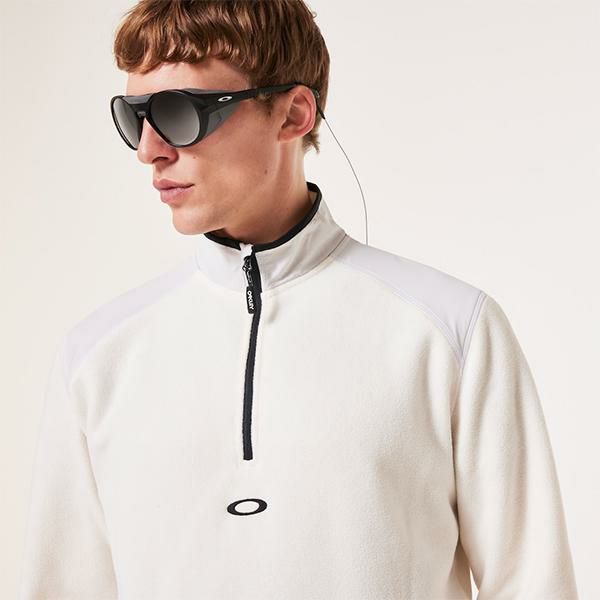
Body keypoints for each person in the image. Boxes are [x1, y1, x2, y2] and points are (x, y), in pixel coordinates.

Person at [19, 1, 578, 598]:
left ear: (293, 114)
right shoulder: (97, 358)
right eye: (135, 118)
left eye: (179, 113)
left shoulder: (450, 332)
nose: (148, 150)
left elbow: (533, 584)